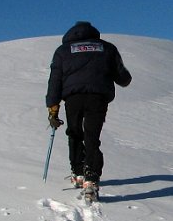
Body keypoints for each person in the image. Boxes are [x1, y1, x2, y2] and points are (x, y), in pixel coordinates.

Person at [45, 21, 132, 201]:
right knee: (92, 135)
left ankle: (77, 172)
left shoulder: (62, 51)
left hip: (73, 98)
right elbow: (123, 78)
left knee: (75, 132)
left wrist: (53, 108)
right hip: (98, 98)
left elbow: (55, 80)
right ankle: (91, 178)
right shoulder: (107, 48)